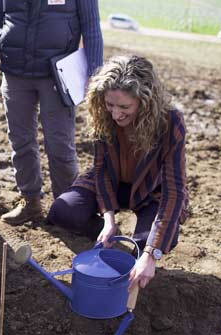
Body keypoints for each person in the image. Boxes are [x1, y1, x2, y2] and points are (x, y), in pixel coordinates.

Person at [47, 55, 190, 290]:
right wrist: (108, 220)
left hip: (152, 188)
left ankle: (140, 243)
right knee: (63, 211)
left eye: (124, 107)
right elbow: (101, 170)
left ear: (145, 101)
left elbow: (175, 189)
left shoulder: (170, 121)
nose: (115, 114)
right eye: (110, 105)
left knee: (146, 243)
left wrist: (151, 254)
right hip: (113, 182)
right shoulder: (103, 115)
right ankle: (111, 234)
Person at [0, 0, 103, 225]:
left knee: (59, 143)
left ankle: (65, 207)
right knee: (21, 141)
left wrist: (94, 72)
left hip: (58, 75)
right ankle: (30, 201)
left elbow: (91, 26)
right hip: (15, 73)